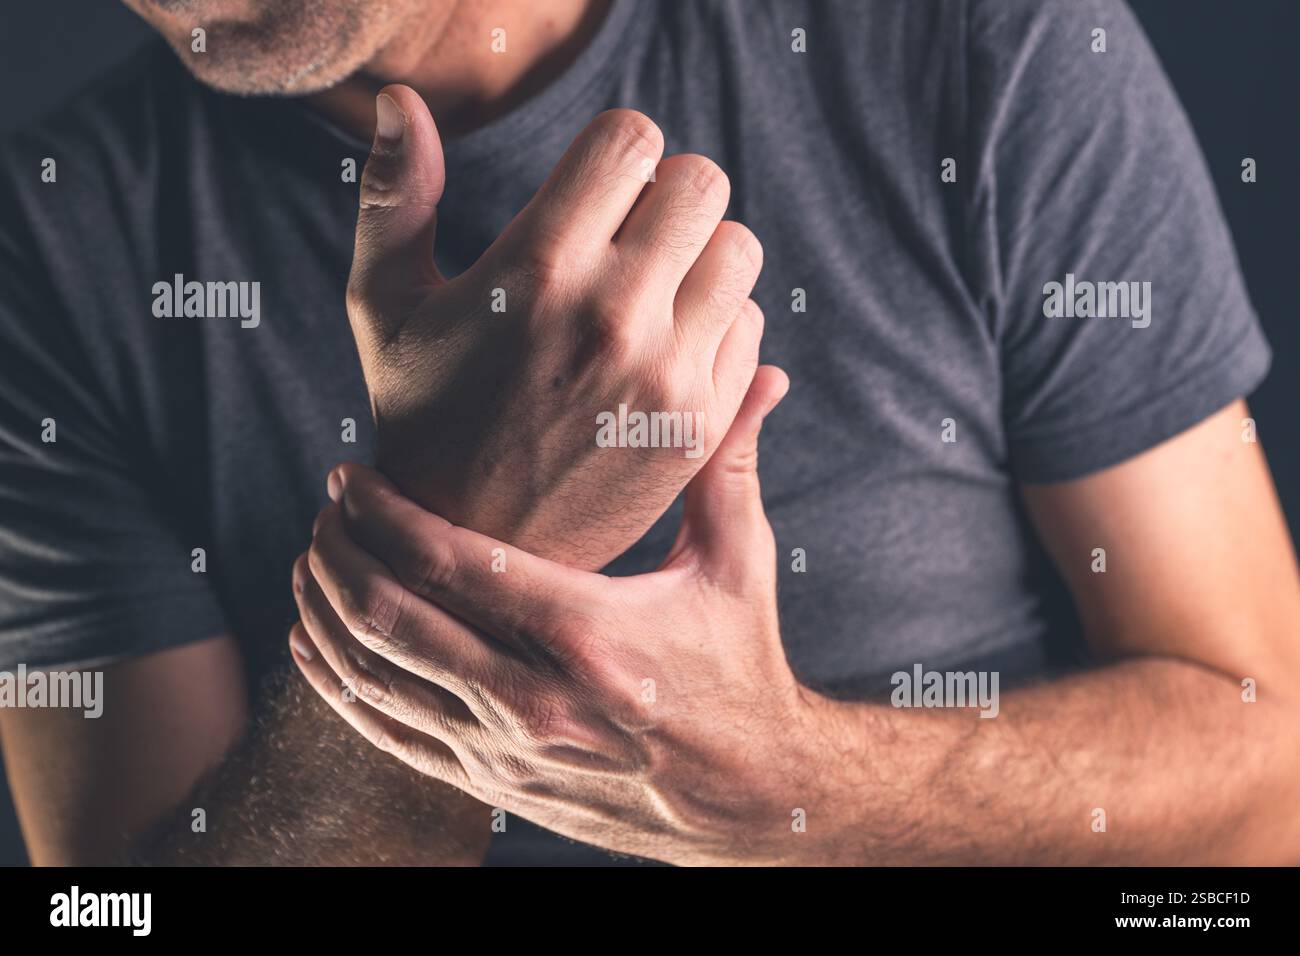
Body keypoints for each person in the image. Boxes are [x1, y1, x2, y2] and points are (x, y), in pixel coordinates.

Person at [0, 0, 1297, 866]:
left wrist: (797, 792)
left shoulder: (978, 38)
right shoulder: (48, 250)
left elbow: (1268, 754)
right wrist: (476, 530)